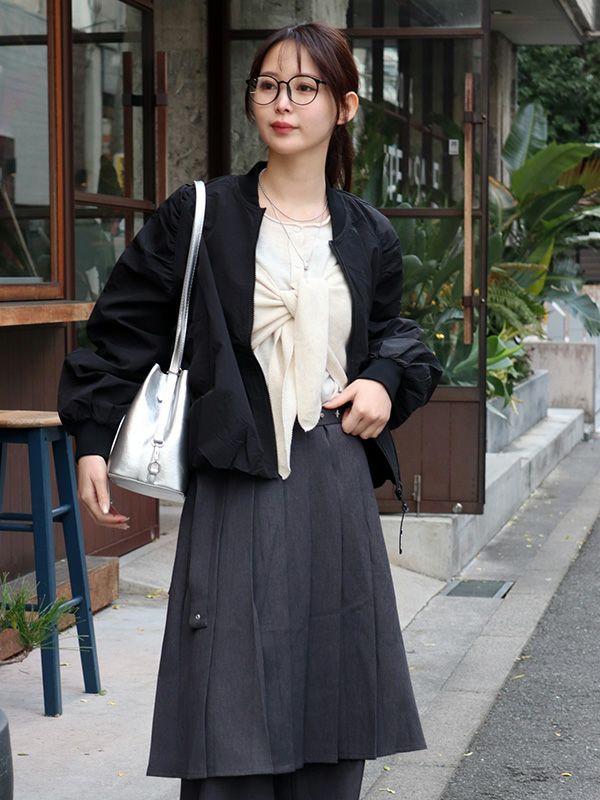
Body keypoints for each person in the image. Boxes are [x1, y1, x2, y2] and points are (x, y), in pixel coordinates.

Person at [58, 21, 442, 800]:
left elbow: (396, 335)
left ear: (344, 107)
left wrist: (380, 380)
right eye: (268, 85)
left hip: (333, 485)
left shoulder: (367, 232)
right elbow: (123, 326)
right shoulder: (201, 213)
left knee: (332, 697)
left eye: (304, 88)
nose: (282, 103)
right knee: (226, 700)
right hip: (236, 481)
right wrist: (94, 436)